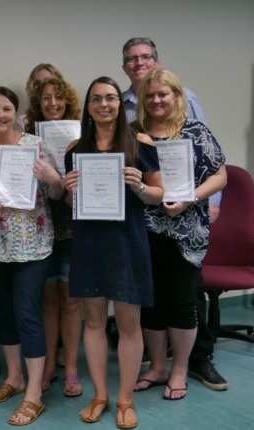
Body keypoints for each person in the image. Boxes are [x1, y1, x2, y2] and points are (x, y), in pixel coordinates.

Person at [120, 37, 227, 390]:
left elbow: (220, 174)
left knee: (182, 302)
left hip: (186, 231)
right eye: (150, 96)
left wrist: (191, 198)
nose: (156, 100)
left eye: (163, 94)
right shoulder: (134, 134)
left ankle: (180, 369)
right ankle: (156, 367)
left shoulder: (195, 132)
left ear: (177, 97)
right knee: (152, 302)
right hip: (146, 229)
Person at [63, 77, 163, 429]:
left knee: (128, 323)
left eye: (110, 98)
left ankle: (125, 400)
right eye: (96, 99)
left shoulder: (140, 143)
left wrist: (139, 186)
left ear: (120, 105)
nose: (103, 104)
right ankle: (100, 396)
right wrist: (69, 189)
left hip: (127, 242)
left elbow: (159, 193)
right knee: (92, 321)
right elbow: (72, 203)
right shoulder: (76, 149)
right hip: (89, 243)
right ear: (88, 107)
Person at [0, 87, 64, 426]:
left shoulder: (34, 146)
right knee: (5, 313)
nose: (0, 115)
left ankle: (34, 394)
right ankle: (14, 378)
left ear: (17, 113)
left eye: (7, 109)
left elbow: (56, 193)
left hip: (32, 245)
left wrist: (52, 178)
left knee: (28, 313)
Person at [23, 77, 84, 397]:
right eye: (46, 98)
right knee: (47, 301)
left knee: (72, 300)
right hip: (41, 225)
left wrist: (58, 178)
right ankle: (48, 366)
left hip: (73, 226)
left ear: (68, 102)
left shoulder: (82, 138)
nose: (52, 104)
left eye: (59, 98)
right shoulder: (28, 138)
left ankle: (71, 368)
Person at [15, 63, 65, 132]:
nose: (42, 87)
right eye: (37, 84)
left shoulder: (75, 122)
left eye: (48, 81)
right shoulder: (23, 121)